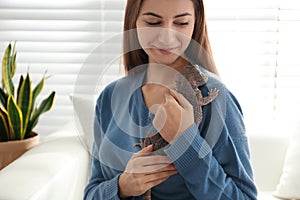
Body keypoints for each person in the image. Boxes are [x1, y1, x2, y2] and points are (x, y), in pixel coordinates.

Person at [84, 0, 258, 199]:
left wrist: (186, 141)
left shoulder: (216, 99)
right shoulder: (110, 97)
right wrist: (123, 186)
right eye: (152, 22)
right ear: (134, 22)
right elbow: (91, 193)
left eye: (181, 23)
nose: (167, 37)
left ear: (195, 23)